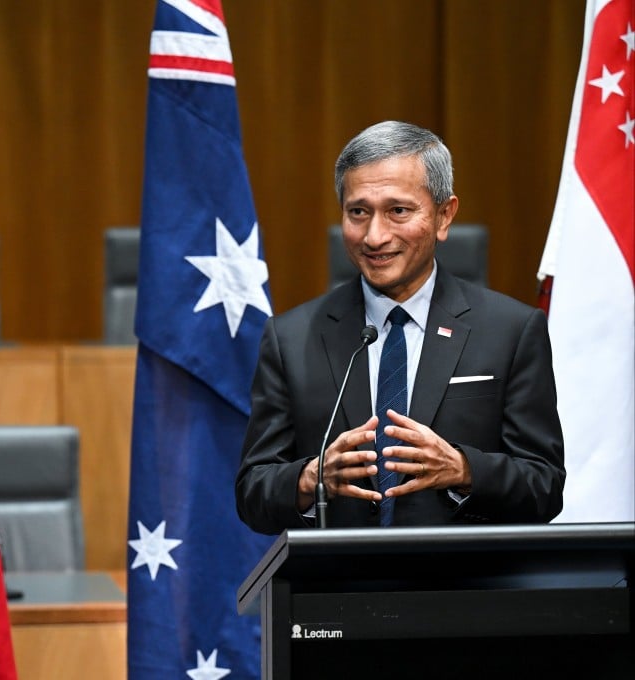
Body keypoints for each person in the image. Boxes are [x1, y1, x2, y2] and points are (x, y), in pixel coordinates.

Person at [235, 120, 565, 532]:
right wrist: (309, 479)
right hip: (335, 591)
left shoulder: (511, 331)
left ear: (444, 216)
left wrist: (463, 469)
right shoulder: (292, 338)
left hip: (464, 588)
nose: (374, 236)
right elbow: (253, 493)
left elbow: (545, 487)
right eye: (358, 212)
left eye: (398, 211)